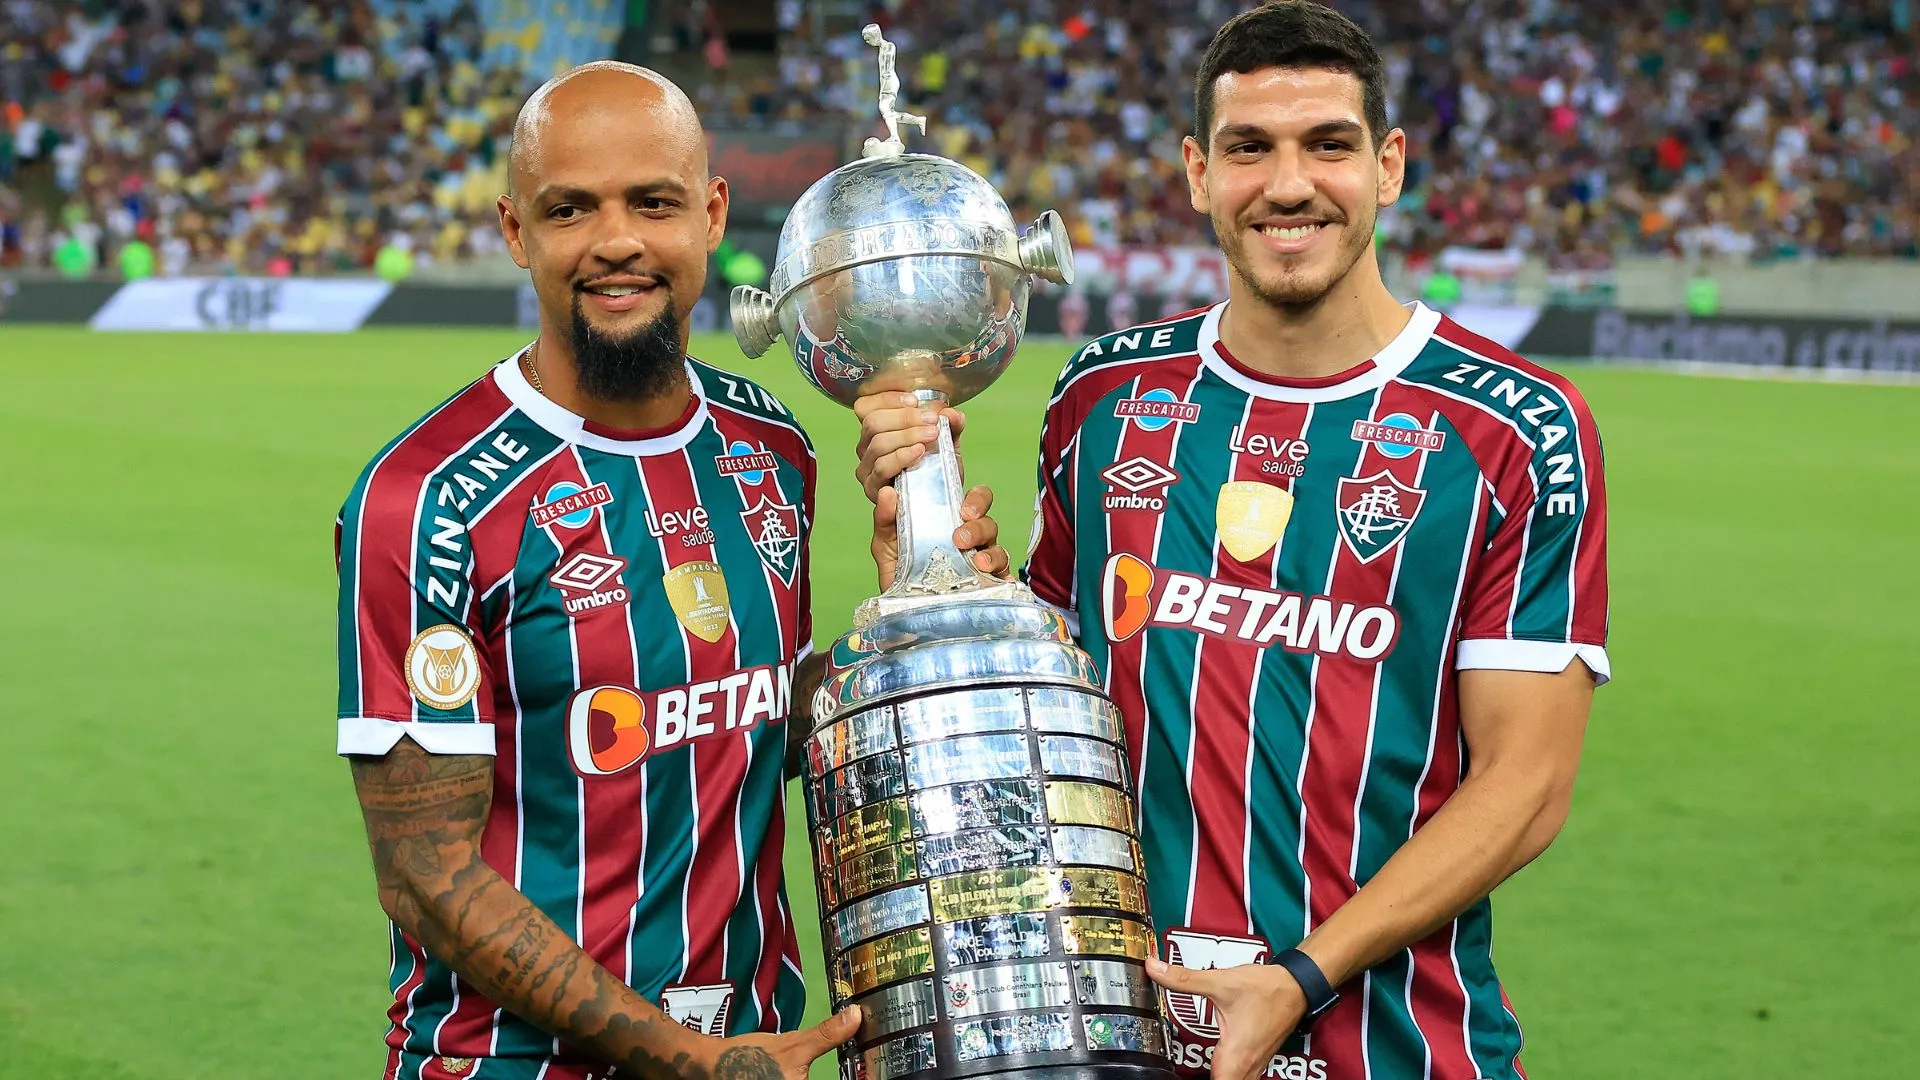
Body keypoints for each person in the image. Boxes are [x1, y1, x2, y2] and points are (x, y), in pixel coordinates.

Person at [855, 5, 1608, 1079]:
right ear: (1199, 173)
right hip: (1114, 1037)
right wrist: (928, 578)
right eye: (1250, 148)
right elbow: (1049, 700)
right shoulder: (1106, 397)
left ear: (1389, 166)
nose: (1289, 184)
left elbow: (1525, 785)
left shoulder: (1514, 426)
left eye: (1329, 146)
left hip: (1397, 1048)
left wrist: (1301, 975)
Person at [334, 61, 1007, 1080]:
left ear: (710, 213)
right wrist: (687, 1061)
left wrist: (903, 609)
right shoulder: (427, 500)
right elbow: (425, 873)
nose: (617, 242)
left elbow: (752, 716)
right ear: (517, 232)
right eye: (571, 209)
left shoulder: (768, 444)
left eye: (653, 203)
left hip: (747, 1043)